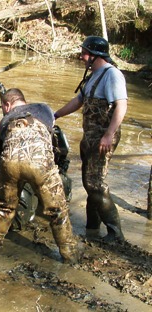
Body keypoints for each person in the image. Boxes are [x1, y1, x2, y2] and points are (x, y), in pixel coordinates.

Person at [0, 87, 79, 263]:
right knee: (57, 211)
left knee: (5, 206)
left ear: (7, 105)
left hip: (10, 162)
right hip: (40, 162)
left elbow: (3, 136)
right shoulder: (43, 108)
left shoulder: (6, 120)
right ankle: (69, 255)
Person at [54, 36, 128, 242]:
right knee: (89, 183)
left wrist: (108, 135)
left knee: (95, 183)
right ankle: (92, 228)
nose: (81, 55)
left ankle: (116, 233)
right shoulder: (93, 75)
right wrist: (55, 115)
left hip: (103, 138)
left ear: (95, 56)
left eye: (84, 52)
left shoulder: (112, 76)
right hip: (89, 137)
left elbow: (121, 106)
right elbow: (78, 101)